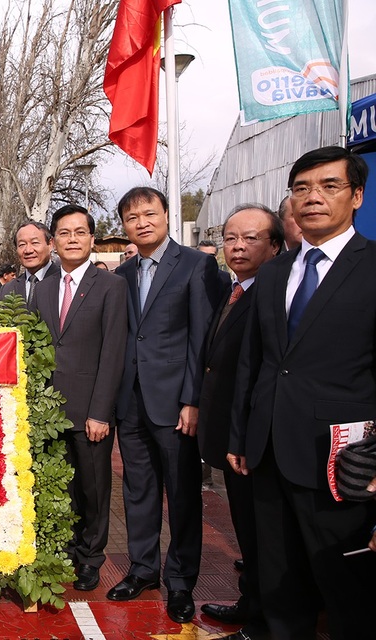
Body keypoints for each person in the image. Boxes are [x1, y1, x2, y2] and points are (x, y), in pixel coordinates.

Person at [229, 146, 376, 638]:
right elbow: (256, 364)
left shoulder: (372, 267)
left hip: (343, 462)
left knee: (347, 588)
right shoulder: (274, 273)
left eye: (329, 186)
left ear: (356, 195)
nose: (313, 198)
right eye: (301, 189)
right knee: (279, 584)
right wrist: (242, 438)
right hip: (270, 453)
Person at [108, 186, 221, 624]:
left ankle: (180, 581)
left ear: (167, 215)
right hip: (131, 402)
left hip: (175, 404)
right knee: (139, 491)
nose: (142, 222)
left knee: (182, 493)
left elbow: (201, 340)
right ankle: (143, 569)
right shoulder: (123, 274)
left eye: (149, 213)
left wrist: (192, 400)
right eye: (132, 216)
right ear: (124, 225)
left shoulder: (197, 265)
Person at [195, 205, 282, 640]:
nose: (238, 247)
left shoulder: (273, 294)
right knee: (247, 533)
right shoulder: (233, 291)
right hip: (229, 435)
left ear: (275, 245)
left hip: (255, 438)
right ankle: (252, 604)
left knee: (264, 536)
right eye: (231, 238)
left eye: (251, 238)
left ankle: (265, 619)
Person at [29, 204, 127, 592]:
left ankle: (91, 557)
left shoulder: (111, 286)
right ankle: (67, 549)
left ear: (92, 239)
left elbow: (113, 352)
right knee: (62, 486)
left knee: (94, 488)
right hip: (51, 411)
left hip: (90, 413)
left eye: (80, 232)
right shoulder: (46, 286)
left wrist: (101, 412)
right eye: (65, 233)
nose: (72, 239)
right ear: (53, 242)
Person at [0, 220, 58, 303]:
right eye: (22, 245)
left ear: (51, 244)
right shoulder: (8, 289)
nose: (28, 250)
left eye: (35, 243)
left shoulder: (64, 282)